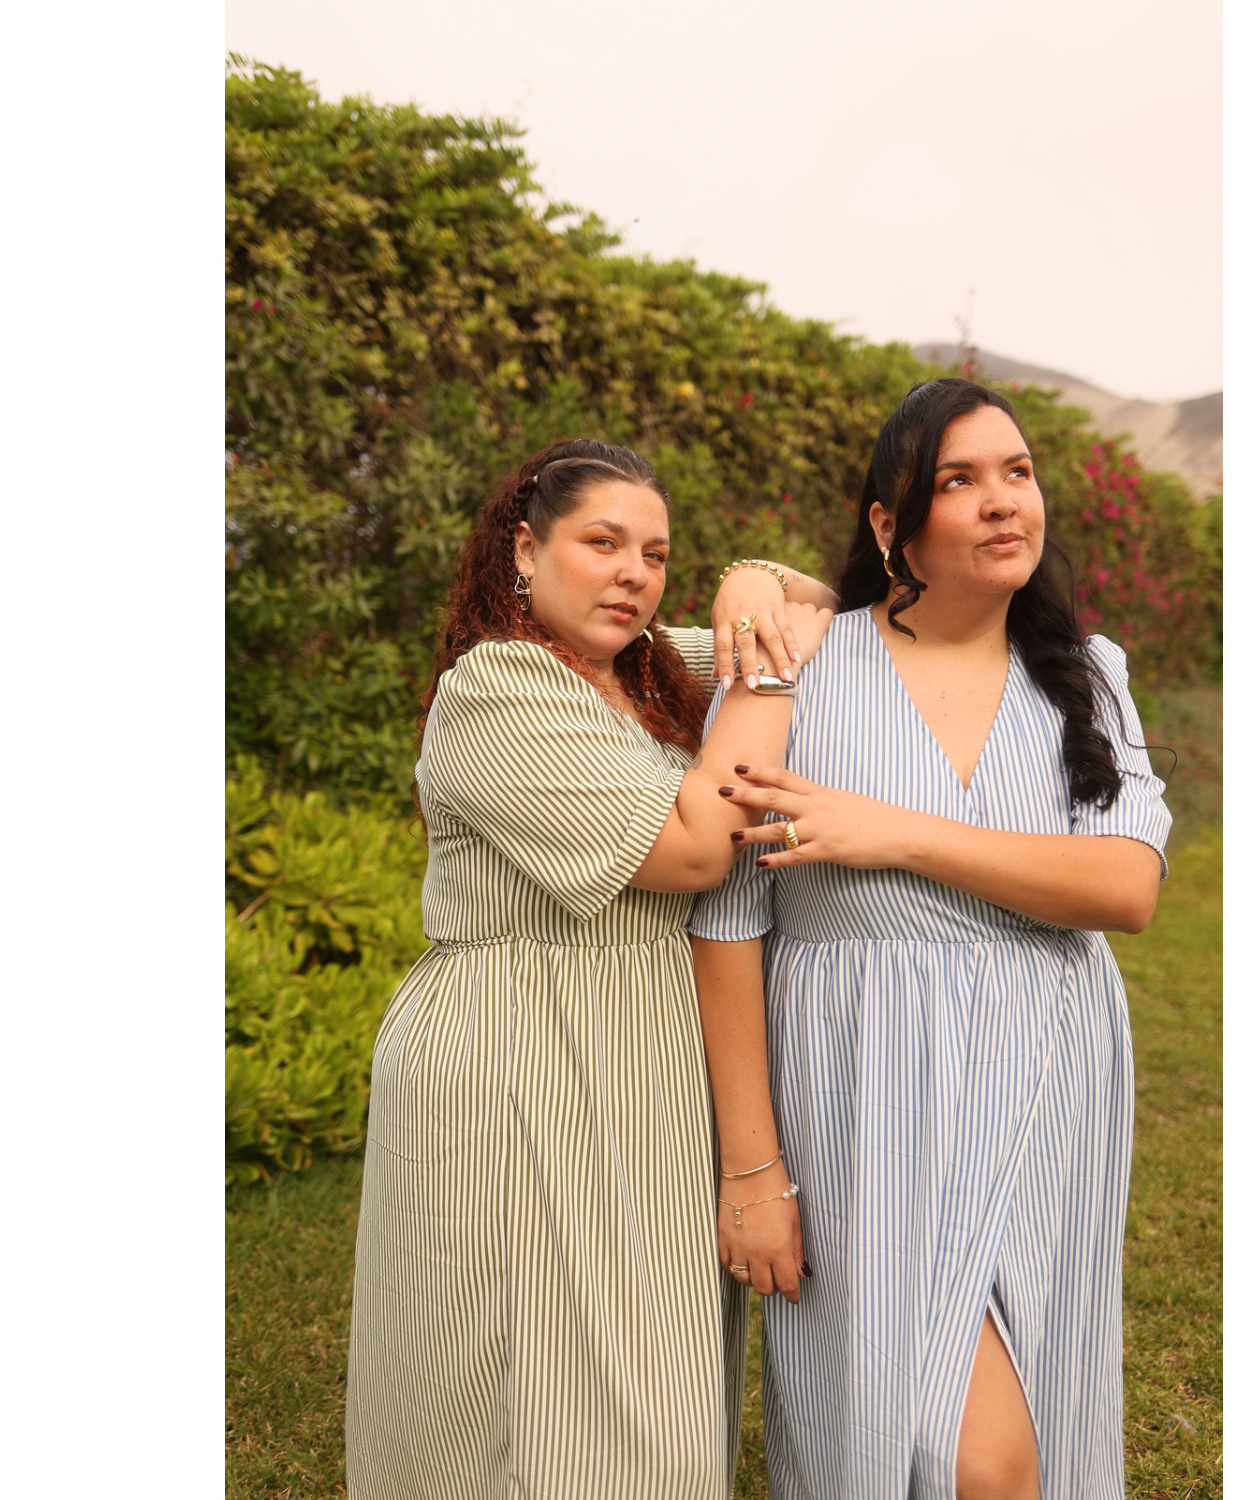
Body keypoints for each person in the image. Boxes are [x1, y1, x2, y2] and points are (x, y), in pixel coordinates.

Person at [689, 379, 1172, 1500]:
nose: (1004, 501)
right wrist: (752, 1168)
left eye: (1019, 473)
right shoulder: (797, 666)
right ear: (888, 523)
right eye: (959, 480)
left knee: (1029, 1435)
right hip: (867, 1094)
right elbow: (729, 921)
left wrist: (897, 833)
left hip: (1051, 1088)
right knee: (947, 1454)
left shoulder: (1088, 675)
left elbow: (1126, 886)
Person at [344, 438, 835, 1500]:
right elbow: (698, 849)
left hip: (646, 1060)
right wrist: (765, 659)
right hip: (521, 1058)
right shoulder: (499, 687)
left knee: (651, 1380)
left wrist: (751, 579)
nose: (632, 574)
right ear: (525, 551)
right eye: (602, 543)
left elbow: (825, 613)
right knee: (510, 1383)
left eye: (655, 555)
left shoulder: (650, 669)